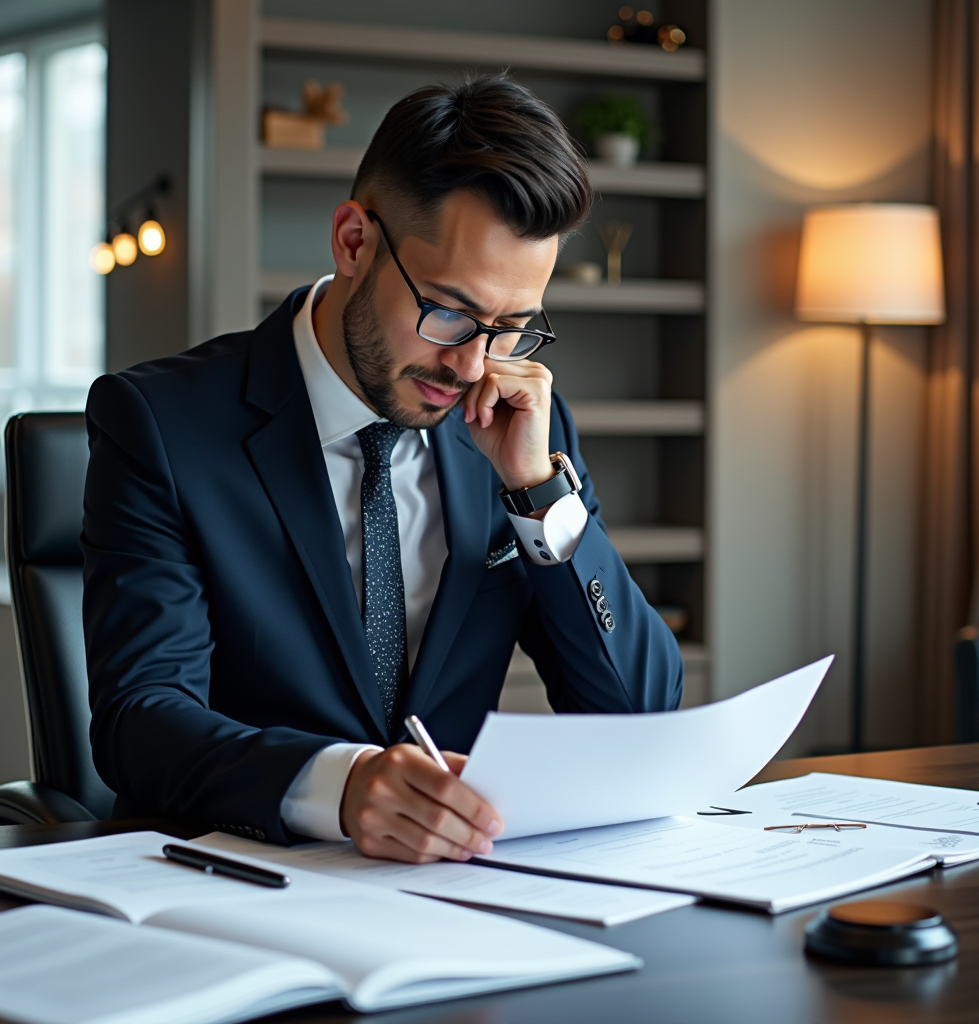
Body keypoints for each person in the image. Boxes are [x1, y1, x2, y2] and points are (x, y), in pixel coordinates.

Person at [83, 75, 683, 863]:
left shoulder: (522, 429)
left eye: (511, 328)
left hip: (457, 902)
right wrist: (345, 784)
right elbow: (141, 720)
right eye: (448, 311)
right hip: (233, 889)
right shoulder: (161, 424)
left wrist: (539, 498)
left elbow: (638, 720)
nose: (472, 364)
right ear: (354, 242)